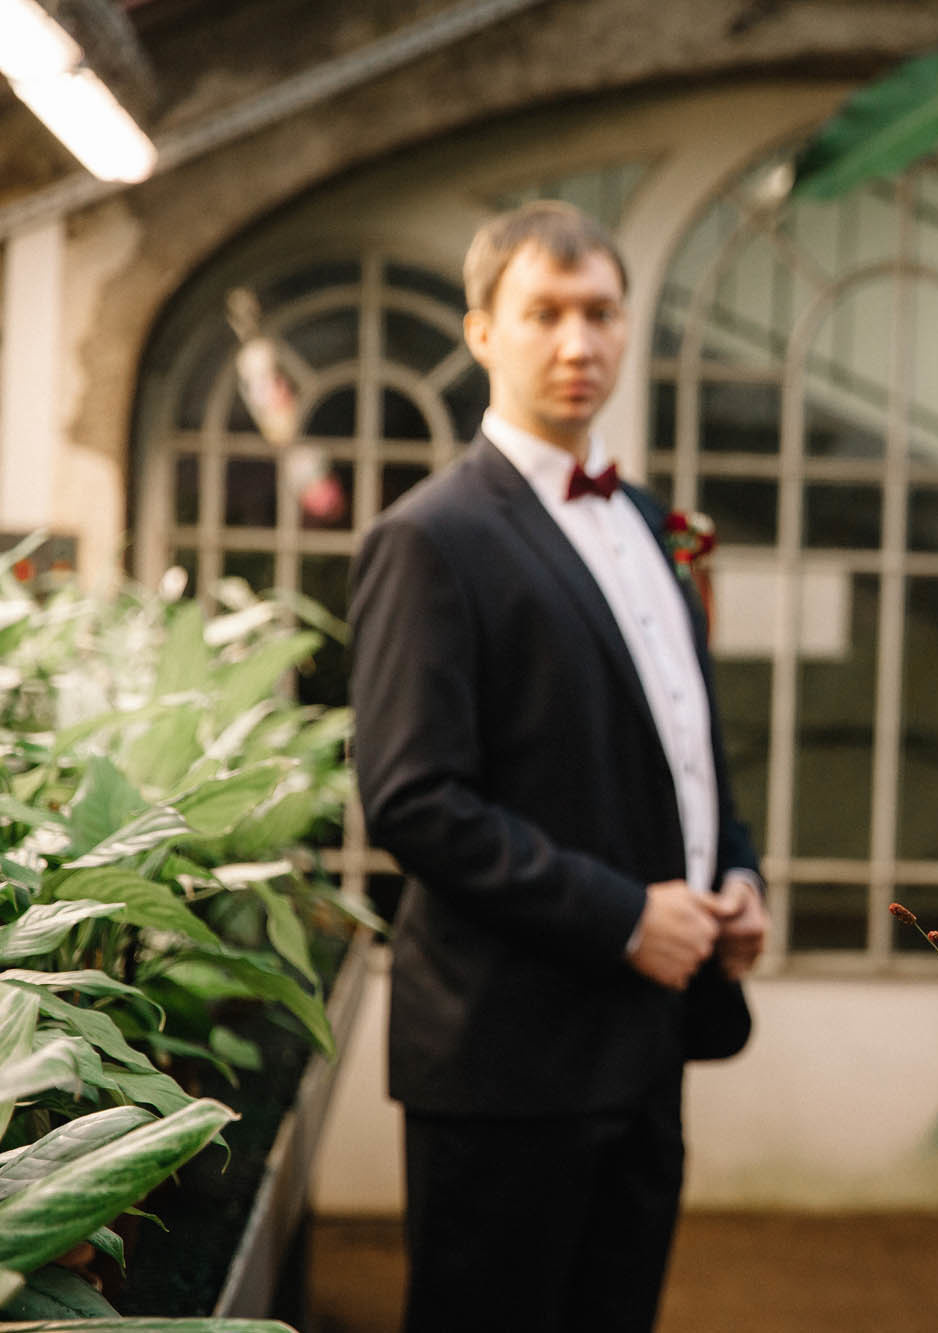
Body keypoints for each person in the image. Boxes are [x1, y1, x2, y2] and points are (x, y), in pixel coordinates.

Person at [349, 200, 768, 1333]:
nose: (577, 343)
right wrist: (623, 912)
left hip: (646, 1043)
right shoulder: (428, 537)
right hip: (505, 1062)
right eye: (544, 314)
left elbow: (685, 741)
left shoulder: (645, 520)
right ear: (483, 330)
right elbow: (411, 797)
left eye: (599, 313)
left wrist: (736, 874)